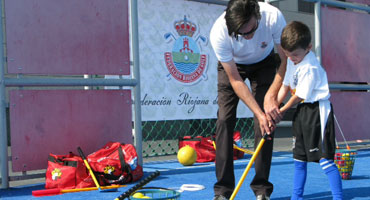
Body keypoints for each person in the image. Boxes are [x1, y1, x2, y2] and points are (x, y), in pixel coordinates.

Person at [209, 0, 287, 199]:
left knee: (266, 122)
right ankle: (223, 191)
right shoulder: (219, 32)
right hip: (233, 67)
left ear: (257, 15)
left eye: (251, 29)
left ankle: (261, 189)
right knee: (225, 120)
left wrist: (270, 97)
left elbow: (286, 60)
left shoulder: (273, 17)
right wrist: (258, 112)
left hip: (265, 63)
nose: (248, 36)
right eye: (242, 34)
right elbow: (235, 80)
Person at [277, 21, 343, 200]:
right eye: (288, 55)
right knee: (298, 159)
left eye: (295, 55)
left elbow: (299, 95)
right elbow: (286, 85)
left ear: (308, 48)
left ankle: (338, 197)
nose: (291, 59)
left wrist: (281, 111)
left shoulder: (310, 66)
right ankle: (296, 197)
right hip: (302, 113)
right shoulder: (293, 60)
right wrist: (274, 107)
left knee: (324, 160)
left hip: (317, 113)